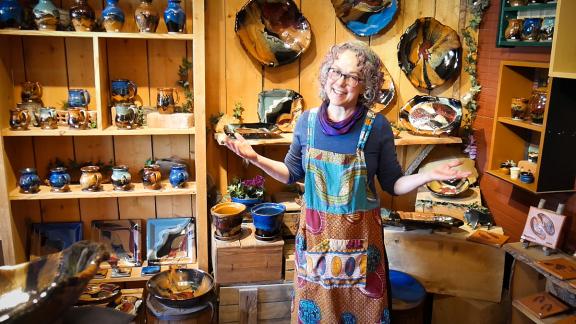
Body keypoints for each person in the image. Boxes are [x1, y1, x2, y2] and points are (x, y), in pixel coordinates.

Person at [224, 41, 471, 324]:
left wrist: (427, 175)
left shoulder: (376, 127)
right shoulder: (306, 122)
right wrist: (254, 157)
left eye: (352, 77)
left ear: (365, 84)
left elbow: (394, 184)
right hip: (315, 245)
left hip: (362, 251)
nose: (340, 82)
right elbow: (291, 172)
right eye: (335, 71)